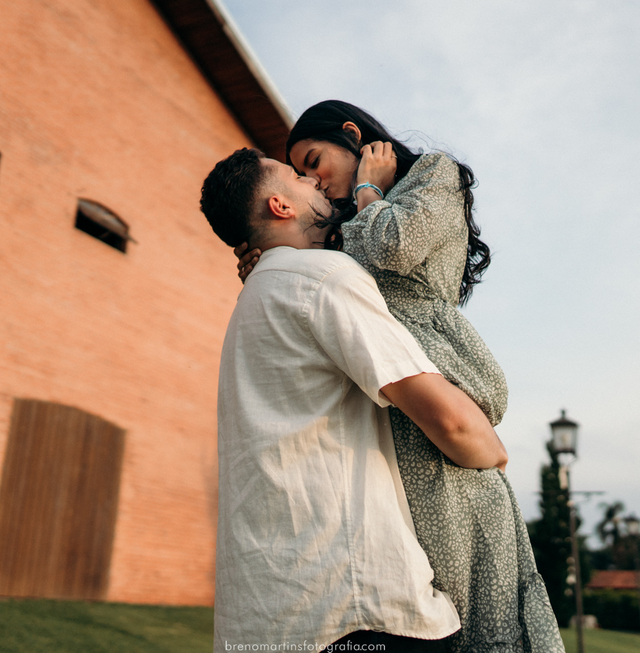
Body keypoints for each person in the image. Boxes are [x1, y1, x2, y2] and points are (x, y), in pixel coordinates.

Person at [235, 101, 563, 653]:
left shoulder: (434, 175)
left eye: (314, 161)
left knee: (481, 617)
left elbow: (395, 245)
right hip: (383, 439)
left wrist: (368, 188)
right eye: (301, 173)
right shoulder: (337, 228)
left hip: (438, 419)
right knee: (419, 613)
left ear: (352, 135)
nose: (313, 179)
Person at [200, 148, 511, 653]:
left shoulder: (256, 298)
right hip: (353, 608)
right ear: (281, 206)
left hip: (262, 620)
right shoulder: (320, 280)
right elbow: (452, 424)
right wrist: (494, 453)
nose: (314, 182)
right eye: (298, 176)